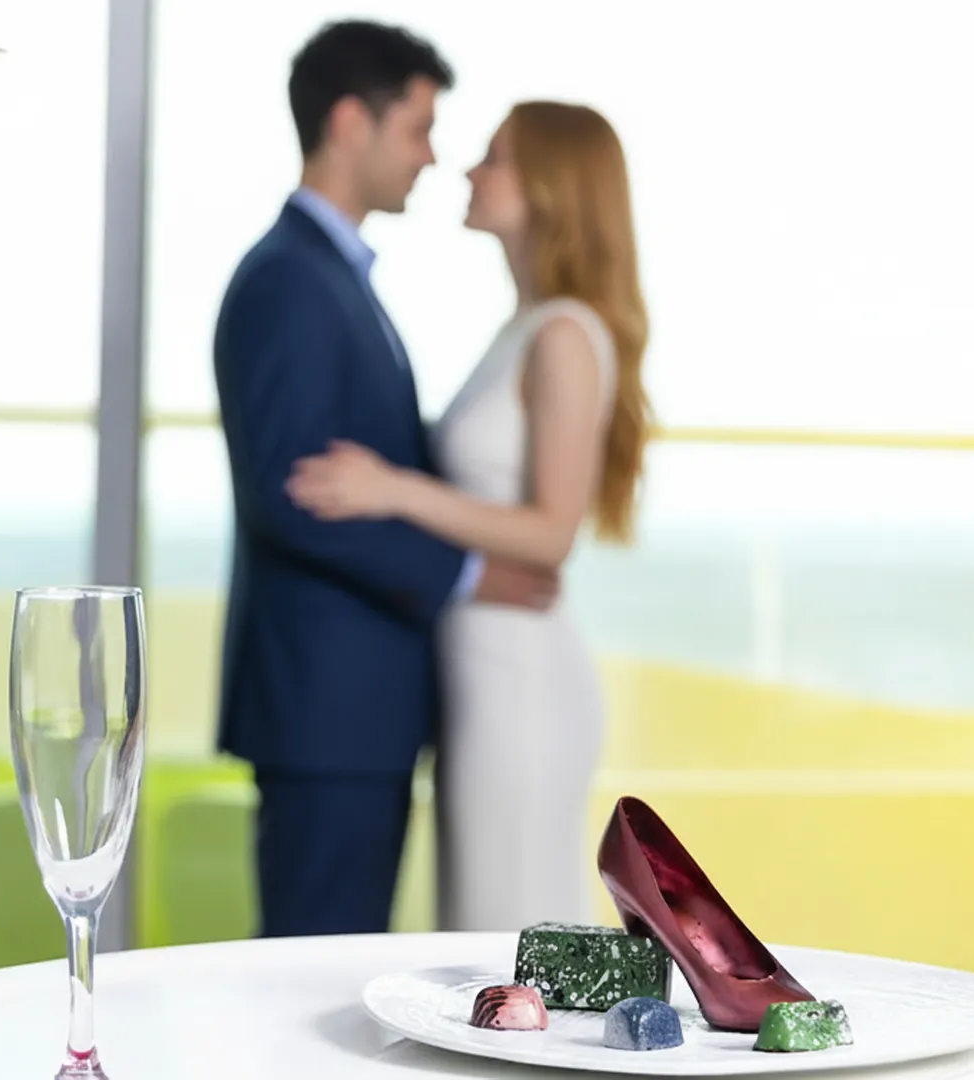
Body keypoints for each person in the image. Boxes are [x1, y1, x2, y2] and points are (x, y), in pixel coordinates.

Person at [212, 20, 558, 939]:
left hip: (354, 708)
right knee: (307, 971)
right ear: (348, 123)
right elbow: (297, 500)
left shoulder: (331, 277)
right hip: (326, 707)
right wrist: (475, 574)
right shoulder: (289, 280)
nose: (432, 156)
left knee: (330, 959)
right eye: (417, 128)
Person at [285, 100, 650, 931]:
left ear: (553, 188)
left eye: (497, 159)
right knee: (484, 929)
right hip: (480, 672)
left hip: (519, 679)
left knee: (510, 932)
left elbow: (553, 534)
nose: (470, 172)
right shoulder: (522, 328)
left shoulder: (562, 334)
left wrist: (391, 489)